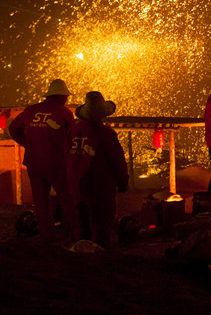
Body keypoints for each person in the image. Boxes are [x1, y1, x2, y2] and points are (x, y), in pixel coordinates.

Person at [9, 78, 80, 242]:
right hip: (56, 163)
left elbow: (13, 128)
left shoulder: (31, 111)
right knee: (66, 197)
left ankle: (47, 237)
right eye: (66, 96)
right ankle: (76, 233)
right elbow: (72, 137)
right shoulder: (64, 113)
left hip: (34, 163)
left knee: (41, 202)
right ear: (61, 96)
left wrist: (28, 143)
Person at [67, 91, 129, 249]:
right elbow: (117, 160)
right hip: (99, 186)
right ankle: (100, 254)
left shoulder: (74, 130)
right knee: (101, 226)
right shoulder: (106, 133)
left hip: (76, 185)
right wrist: (122, 181)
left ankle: (80, 253)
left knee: (81, 224)